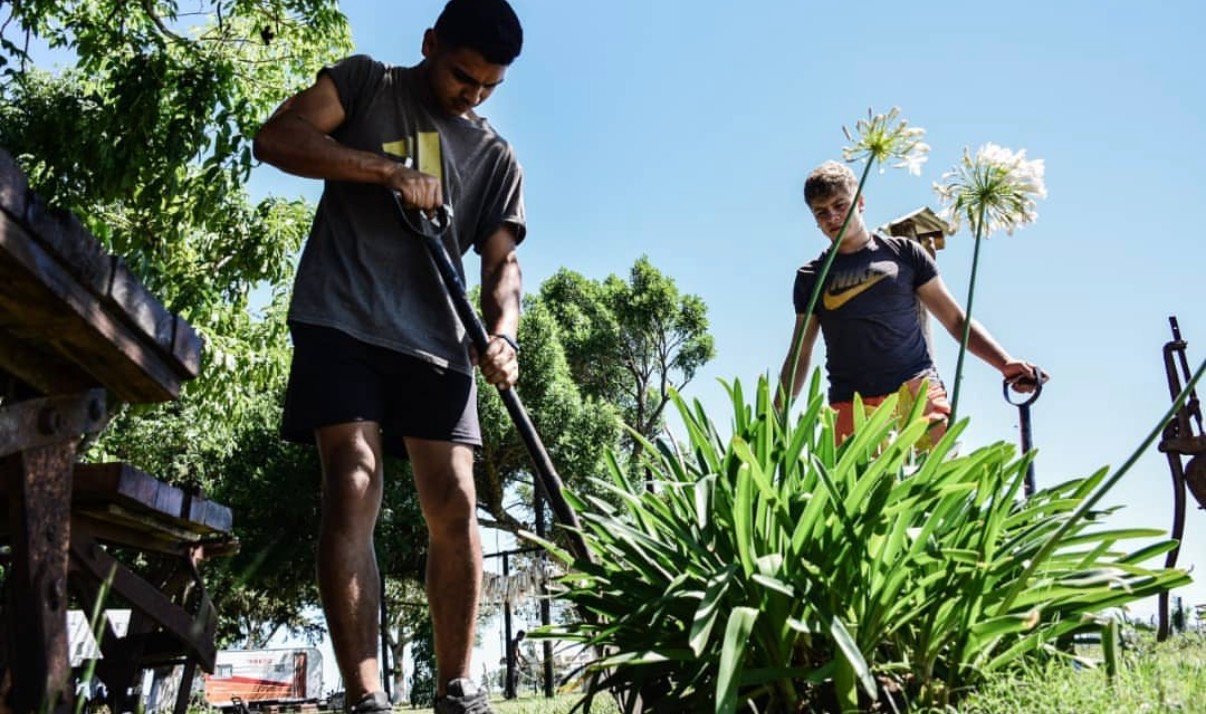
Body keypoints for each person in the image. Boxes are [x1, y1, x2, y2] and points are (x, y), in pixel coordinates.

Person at [252, 1, 526, 712]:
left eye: (488, 86)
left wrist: (504, 335)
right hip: (341, 318)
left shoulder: (495, 155)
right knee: (352, 480)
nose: (473, 93)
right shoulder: (367, 83)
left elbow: (503, 265)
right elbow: (276, 138)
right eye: (464, 75)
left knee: (456, 499)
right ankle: (364, 696)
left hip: (436, 339)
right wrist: (382, 169)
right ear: (431, 43)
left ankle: (457, 687)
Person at [777, 160, 1046, 446]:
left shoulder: (905, 253)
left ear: (861, 202)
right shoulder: (811, 277)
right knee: (860, 491)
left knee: (934, 486)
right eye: (822, 212)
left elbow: (955, 321)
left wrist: (1004, 363)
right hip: (850, 404)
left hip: (917, 393)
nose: (832, 217)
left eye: (840, 205)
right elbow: (800, 353)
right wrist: (776, 416)